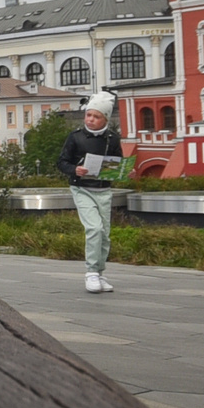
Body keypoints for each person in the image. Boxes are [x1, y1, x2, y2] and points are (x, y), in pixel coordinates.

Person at [57, 90, 124, 293]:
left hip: (103, 189)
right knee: (94, 228)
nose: (91, 119)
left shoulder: (112, 139)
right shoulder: (75, 137)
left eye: (96, 116)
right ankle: (91, 273)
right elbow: (61, 162)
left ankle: (100, 273)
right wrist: (75, 169)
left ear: (105, 119)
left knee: (104, 234)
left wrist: (123, 169)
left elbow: (117, 162)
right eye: (89, 115)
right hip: (81, 188)